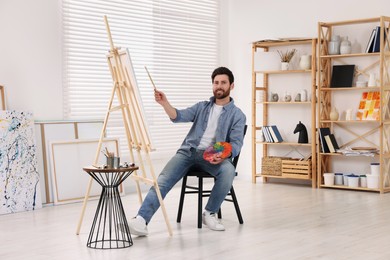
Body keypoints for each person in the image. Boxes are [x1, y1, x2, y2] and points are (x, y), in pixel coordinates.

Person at [128, 67, 246, 236]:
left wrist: (224, 154)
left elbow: (236, 144)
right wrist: (164, 103)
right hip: (188, 152)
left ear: (231, 86)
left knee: (229, 170)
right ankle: (141, 220)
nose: (219, 86)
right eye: (216, 82)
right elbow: (178, 116)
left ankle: (210, 213)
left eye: (223, 83)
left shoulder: (237, 115)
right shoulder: (202, 107)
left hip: (214, 156)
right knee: (163, 180)